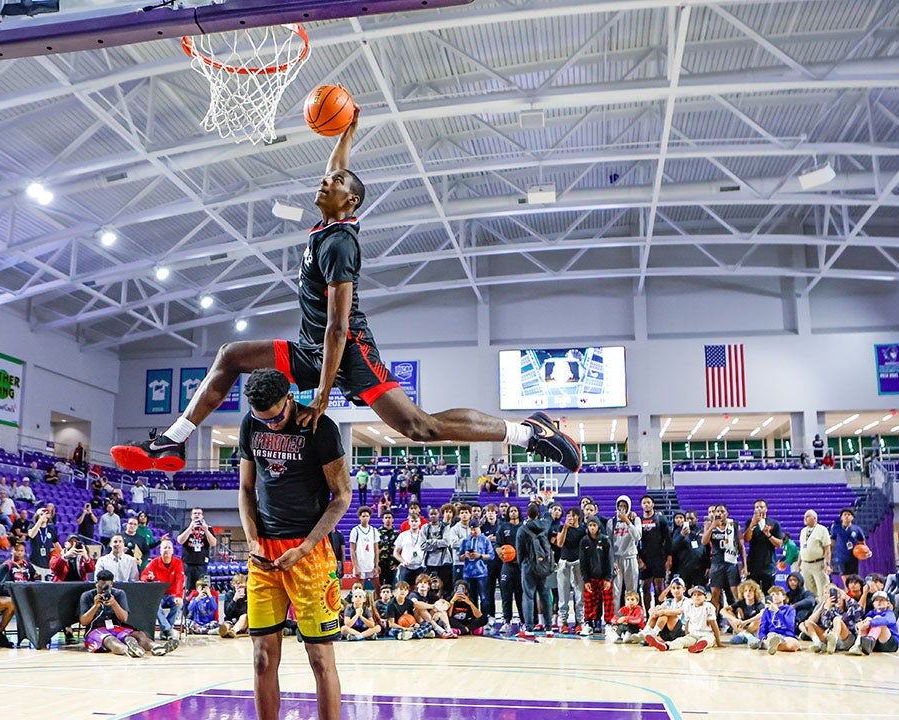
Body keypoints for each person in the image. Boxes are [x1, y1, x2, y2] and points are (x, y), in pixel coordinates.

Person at [111, 112, 583, 489]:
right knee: (230, 356)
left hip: (348, 350)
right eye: (326, 179)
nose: (324, 182)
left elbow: (338, 327)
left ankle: (531, 433)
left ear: (351, 201)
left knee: (420, 428)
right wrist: (347, 130)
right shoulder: (326, 224)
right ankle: (173, 441)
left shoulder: (339, 244)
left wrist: (321, 391)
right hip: (314, 348)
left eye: (334, 182)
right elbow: (336, 170)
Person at [236, 369, 352, 720]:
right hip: (265, 554)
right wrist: (252, 539)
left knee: (319, 658)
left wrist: (304, 548)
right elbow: (245, 490)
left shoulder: (320, 428)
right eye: (262, 420)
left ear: (289, 398)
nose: (269, 426)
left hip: (310, 552)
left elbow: (342, 496)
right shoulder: (249, 424)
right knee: (262, 659)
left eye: (276, 418)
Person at [80, 569, 162, 657]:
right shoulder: (87, 596)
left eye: (106, 588)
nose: (103, 591)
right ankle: (129, 650)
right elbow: (84, 622)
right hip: (95, 630)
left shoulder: (119, 594)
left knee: (139, 635)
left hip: (116, 628)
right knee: (110, 640)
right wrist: (95, 606)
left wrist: (114, 604)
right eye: (100, 587)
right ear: (96, 583)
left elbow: (124, 618)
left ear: (111, 584)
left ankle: (157, 647)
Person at [645, 585, 723, 653]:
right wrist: (686, 635)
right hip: (692, 634)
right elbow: (687, 622)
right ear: (691, 597)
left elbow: (714, 624)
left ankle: (700, 645)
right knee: (680, 641)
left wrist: (718, 642)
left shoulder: (708, 606)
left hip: (706, 634)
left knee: (708, 640)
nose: (696, 596)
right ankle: (666, 645)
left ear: (705, 597)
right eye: (694, 595)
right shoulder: (689, 606)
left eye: (699, 595)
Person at [518, 502, 554, 633]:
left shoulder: (522, 529)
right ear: (538, 514)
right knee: (544, 596)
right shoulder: (544, 526)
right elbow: (549, 517)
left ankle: (529, 628)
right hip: (543, 566)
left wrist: (521, 564)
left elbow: (519, 551)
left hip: (528, 565)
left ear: (527, 514)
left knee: (528, 596)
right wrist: (546, 504)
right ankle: (549, 627)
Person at [141, 539, 184, 645]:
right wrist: (148, 578)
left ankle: (165, 630)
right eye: (164, 547)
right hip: (158, 595)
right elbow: (143, 576)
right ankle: (168, 630)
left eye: (169, 547)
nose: (167, 550)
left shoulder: (178, 563)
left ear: (173, 551)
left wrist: (178, 596)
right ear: (160, 551)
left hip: (172, 594)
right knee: (155, 606)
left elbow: (180, 580)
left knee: (179, 604)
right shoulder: (154, 562)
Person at [704, 504, 744, 610]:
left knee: (736, 594)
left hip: (731, 563)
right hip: (717, 564)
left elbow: (741, 547)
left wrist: (745, 566)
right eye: (717, 511)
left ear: (727, 513)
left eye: (722, 511)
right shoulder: (710, 525)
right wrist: (712, 526)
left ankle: (740, 620)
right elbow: (704, 541)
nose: (719, 514)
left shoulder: (734, 525)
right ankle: (714, 622)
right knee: (715, 596)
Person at [607, 495, 642, 611]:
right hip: (616, 559)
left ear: (629, 507)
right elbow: (609, 543)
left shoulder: (635, 520)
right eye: (620, 506)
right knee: (615, 592)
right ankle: (616, 618)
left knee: (632, 591)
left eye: (624, 506)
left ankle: (633, 617)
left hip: (630, 557)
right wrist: (612, 560)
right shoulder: (611, 522)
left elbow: (637, 537)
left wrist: (627, 521)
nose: (622, 508)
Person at [579, 517, 613, 636]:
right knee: (590, 602)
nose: (592, 527)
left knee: (607, 602)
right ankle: (589, 623)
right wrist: (586, 579)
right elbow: (582, 562)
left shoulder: (605, 540)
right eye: (590, 525)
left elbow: (609, 560)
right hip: (591, 577)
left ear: (598, 526)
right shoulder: (584, 541)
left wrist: (608, 578)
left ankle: (608, 623)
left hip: (604, 577)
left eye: (594, 525)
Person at [743, 499, 783, 593]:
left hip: (768, 563)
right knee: (752, 592)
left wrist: (768, 535)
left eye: (761, 507)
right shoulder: (749, 522)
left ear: (766, 509)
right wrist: (752, 525)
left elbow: (779, 544)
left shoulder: (774, 524)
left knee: (769, 592)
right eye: (756, 507)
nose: (759, 509)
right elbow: (746, 539)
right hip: (753, 564)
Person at [554, 508, 584, 633]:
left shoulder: (583, 529)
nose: (570, 518)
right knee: (563, 594)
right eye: (568, 516)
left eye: (572, 516)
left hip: (578, 563)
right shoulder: (562, 528)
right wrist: (565, 528)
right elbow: (559, 544)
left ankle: (579, 621)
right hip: (564, 563)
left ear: (578, 517)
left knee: (579, 595)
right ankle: (564, 622)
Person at [177, 507, 217, 595]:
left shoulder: (208, 529)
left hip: (202, 564)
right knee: (187, 588)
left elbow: (213, 543)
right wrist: (190, 528)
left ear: (202, 516)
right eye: (195, 513)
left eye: (199, 513)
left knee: (202, 588)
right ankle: (186, 608)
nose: (197, 515)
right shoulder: (185, 528)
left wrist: (206, 530)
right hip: (187, 563)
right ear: (191, 516)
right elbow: (180, 540)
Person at [753, 585, 800, 653]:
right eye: (772, 595)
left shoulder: (790, 609)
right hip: (773, 634)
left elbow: (789, 625)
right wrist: (763, 639)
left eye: (777, 594)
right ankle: (769, 644)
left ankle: (768, 646)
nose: (775, 596)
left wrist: (777, 611)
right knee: (771, 637)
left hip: (787, 635)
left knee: (795, 645)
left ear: (784, 597)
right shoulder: (767, 611)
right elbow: (763, 628)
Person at [642, 577, 689, 646]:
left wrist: (663, 611)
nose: (676, 590)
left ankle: (653, 634)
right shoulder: (669, 601)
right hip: (667, 632)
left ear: (684, 589)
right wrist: (653, 611)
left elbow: (679, 611)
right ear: (670, 590)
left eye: (678, 588)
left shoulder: (687, 601)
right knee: (659, 609)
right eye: (673, 588)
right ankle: (645, 633)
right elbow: (660, 599)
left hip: (680, 631)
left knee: (665, 612)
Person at [798, 509, 832, 600]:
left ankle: (825, 609)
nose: (805, 518)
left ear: (815, 518)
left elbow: (827, 549)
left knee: (822, 588)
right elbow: (802, 549)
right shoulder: (803, 531)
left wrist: (827, 564)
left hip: (818, 563)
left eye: (808, 516)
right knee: (808, 590)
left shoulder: (822, 530)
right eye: (804, 517)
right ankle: (812, 610)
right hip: (805, 564)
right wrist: (799, 564)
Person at [720, 579, 764, 645]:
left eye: (750, 591)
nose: (748, 593)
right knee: (729, 612)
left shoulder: (759, 604)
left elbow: (762, 613)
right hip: (740, 628)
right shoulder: (741, 602)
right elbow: (722, 611)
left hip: (753, 629)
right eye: (745, 591)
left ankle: (744, 636)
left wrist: (746, 621)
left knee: (760, 618)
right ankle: (747, 636)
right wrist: (734, 619)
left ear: (755, 593)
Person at [829, 509, 868, 581]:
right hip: (841, 557)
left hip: (854, 557)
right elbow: (831, 544)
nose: (847, 516)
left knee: (854, 578)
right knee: (845, 579)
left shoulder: (857, 529)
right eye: (845, 515)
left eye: (849, 515)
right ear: (841, 517)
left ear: (852, 517)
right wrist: (830, 558)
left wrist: (867, 552)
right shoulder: (836, 528)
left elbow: (862, 543)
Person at [393, 506, 426, 588]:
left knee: (420, 589)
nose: (414, 523)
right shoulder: (403, 535)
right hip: (406, 567)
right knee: (403, 588)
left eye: (416, 521)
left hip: (420, 566)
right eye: (412, 521)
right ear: (408, 522)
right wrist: (403, 561)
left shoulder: (424, 535)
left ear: (419, 522)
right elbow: (396, 552)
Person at [348, 507, 379, 588]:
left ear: (370, 517)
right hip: (360, 563)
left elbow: (376, 549)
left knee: (377, 585)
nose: (365, 518)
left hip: (371, 563)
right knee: (359, 586)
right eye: (363, 516)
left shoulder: (373, 530)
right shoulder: (355, 530)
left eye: (367, 516)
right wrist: (355, 566)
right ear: (359, 517)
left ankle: (377, 600)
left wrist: (376, 565)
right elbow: (352, 550)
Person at [220, 573, 249, 638]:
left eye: (242, 584)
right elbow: (227, 613)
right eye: (238, 584)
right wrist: (234, 600)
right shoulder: (229, 595)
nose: (240, 586)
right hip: (231, 620)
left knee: (244, 616)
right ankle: (225, 631)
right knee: (226, 625)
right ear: (233, 584)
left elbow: (248, 612)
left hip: (243, 621)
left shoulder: (248, 595)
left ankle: (233, 631)